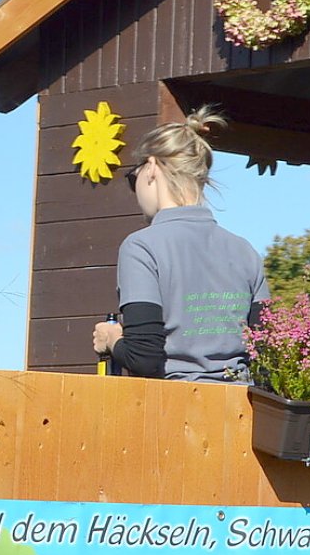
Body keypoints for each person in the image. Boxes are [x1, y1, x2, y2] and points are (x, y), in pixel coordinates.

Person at [91, 107, 267, 381]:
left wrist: (111, 340)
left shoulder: (142, 247)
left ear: (150, 167)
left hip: (173, 410)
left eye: (132, 178)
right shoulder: (246, 252)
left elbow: (144, 358)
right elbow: (266, 352)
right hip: (241, 411)